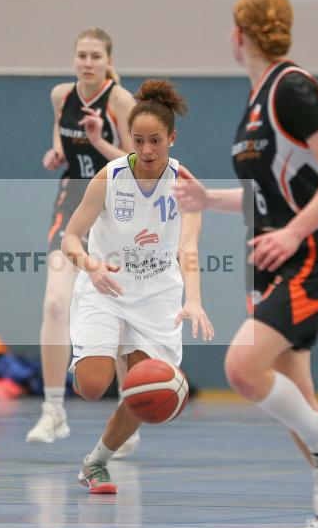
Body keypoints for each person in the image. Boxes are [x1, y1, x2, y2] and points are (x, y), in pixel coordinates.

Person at [173, 0, 318, 528]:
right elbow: (271, 195)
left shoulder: (292, 88)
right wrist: (209, 200)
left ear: (237, 35)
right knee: (295, 399)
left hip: (309, 255)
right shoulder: (259, 97)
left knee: (242, 368)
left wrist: (292, 233)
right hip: (272, 256)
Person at [64, 79, 214, 494]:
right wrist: (91, 266)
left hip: (156, 296)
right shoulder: (109, 177)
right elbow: (70, 239)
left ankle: (96, 463)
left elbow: (188, 248)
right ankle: (98, 348)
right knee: (93, 387)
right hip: (105, 285)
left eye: (155, 141)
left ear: (172, 138)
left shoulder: (185, 184)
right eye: (138, 140)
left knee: (143, 392)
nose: (147, 150)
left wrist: (195, 301)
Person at [27, 28, 139, 454]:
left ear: (108, 61)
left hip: (118, 204)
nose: (87, 63)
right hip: (74, 199)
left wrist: (98, 141)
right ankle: (53, 410)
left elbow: (137, 164)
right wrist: (56, 152)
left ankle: (129, 417)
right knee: (55, 302)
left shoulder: (120, 101)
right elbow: (60, 135)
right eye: (81, 55)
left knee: (124, 316)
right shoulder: (61, 96)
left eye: (95, 56)